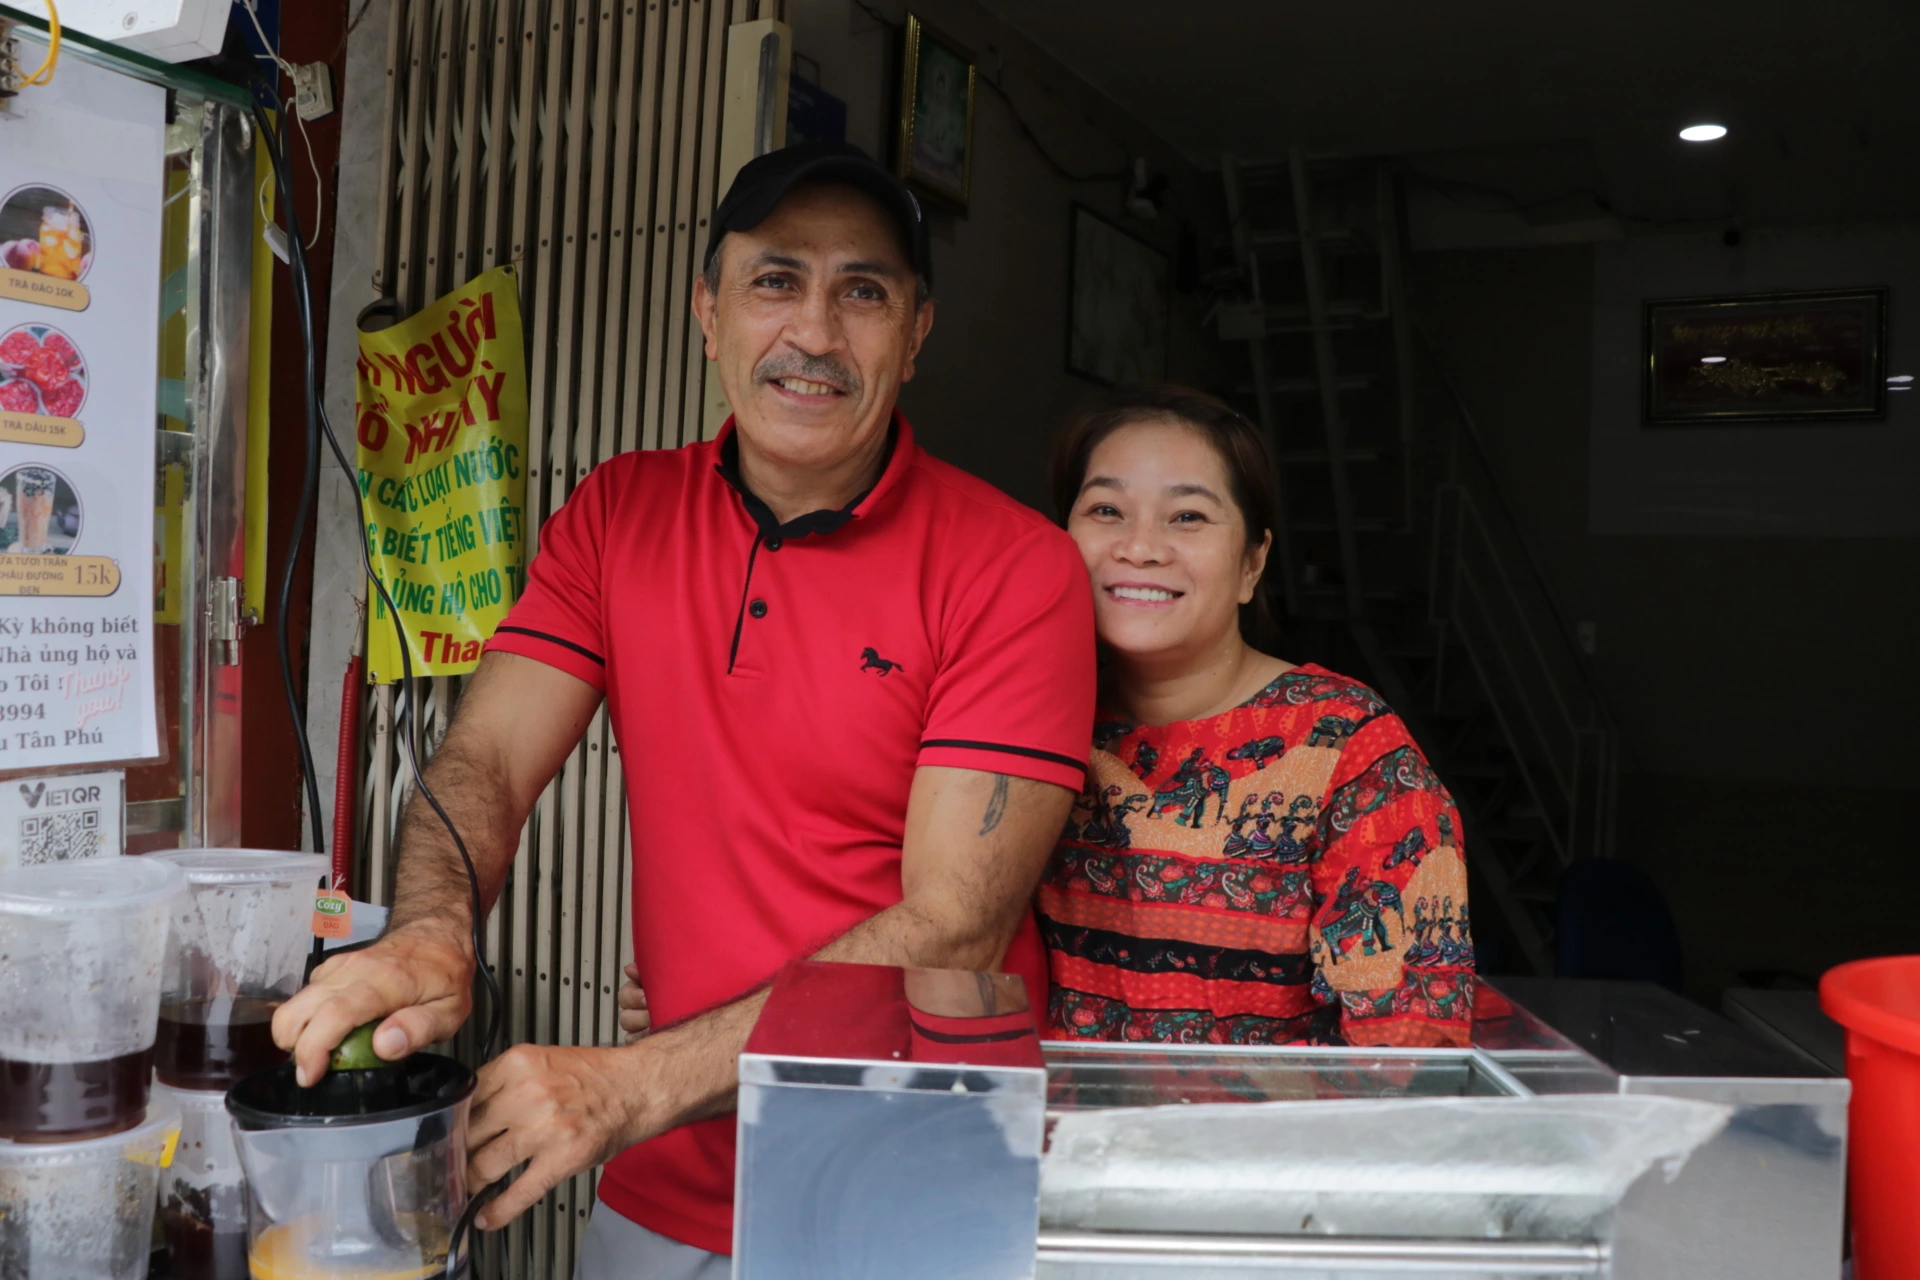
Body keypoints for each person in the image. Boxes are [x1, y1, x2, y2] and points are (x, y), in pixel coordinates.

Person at [273, 140, 1095, 1279]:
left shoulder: (1015, 567)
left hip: (907, 1189)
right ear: (708, 311)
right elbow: (488, 761)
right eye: (776, 280)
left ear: (916, 333)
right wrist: (432, 928)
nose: (814, 331)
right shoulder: (621, 511)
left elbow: (952, 917)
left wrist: (631, 1081)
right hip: (665, 1184)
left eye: (863, 290)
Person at [1039, 384, 1474, 1046]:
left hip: (1267, 1145)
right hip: (1055, 1139)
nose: (1140, 547)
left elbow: (1409, 1047)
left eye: (1187, 517)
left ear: (1252, 563)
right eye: (1106, 509)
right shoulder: (1023, 720)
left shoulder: (1348, 748)